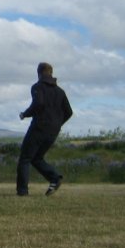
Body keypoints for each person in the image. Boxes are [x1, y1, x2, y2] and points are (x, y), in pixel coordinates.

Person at [16, 62, 74, 196]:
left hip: (39, 127)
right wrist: (57, 124)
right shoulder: (60, 91)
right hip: (53, 131)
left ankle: (22, 191)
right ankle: (54, 178)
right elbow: (69, 112)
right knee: (37, 158)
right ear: (51, 73)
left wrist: (25, 114)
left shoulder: (37, 87)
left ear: (39, 73)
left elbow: (39, 103)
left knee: (25, 158)